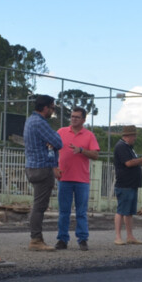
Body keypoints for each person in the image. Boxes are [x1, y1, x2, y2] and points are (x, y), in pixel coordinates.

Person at [56, 107, 100, 251]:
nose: (73, 119)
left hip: (82, 180)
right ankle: (62, 239)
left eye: (77, 117)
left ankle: (82, 239)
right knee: (64, 212)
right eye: (72, 116)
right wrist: (53, 167)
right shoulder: (61, 132)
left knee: (81, 212)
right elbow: (50, 148)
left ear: (83, 120)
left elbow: (95, 155)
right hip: (64, 178)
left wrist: (81, 150)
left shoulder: (89, 136)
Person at [23, 95, 63, 251]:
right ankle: (36, 239)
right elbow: (58, 142)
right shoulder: (41, 123)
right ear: (45, 107)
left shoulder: (30, 121)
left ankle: (36, 238)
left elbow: (53, 142)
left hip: (32, 166)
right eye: (52, 108)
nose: (52, 111)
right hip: (42, 168)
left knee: (37, 204)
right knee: (39, 206)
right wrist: (54, 139)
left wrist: (51, 141)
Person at [113, 125, 142, 245]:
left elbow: (132, 163)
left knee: (129, 212)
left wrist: (141, 162)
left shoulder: (129, 148)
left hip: (131, 184)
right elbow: (128, 163)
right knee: (121, 210)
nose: (135, 138)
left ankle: (130, 236)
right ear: (128, 136)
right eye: (134, 135)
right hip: (124, 184)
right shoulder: (121, 147)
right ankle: (118, 237)